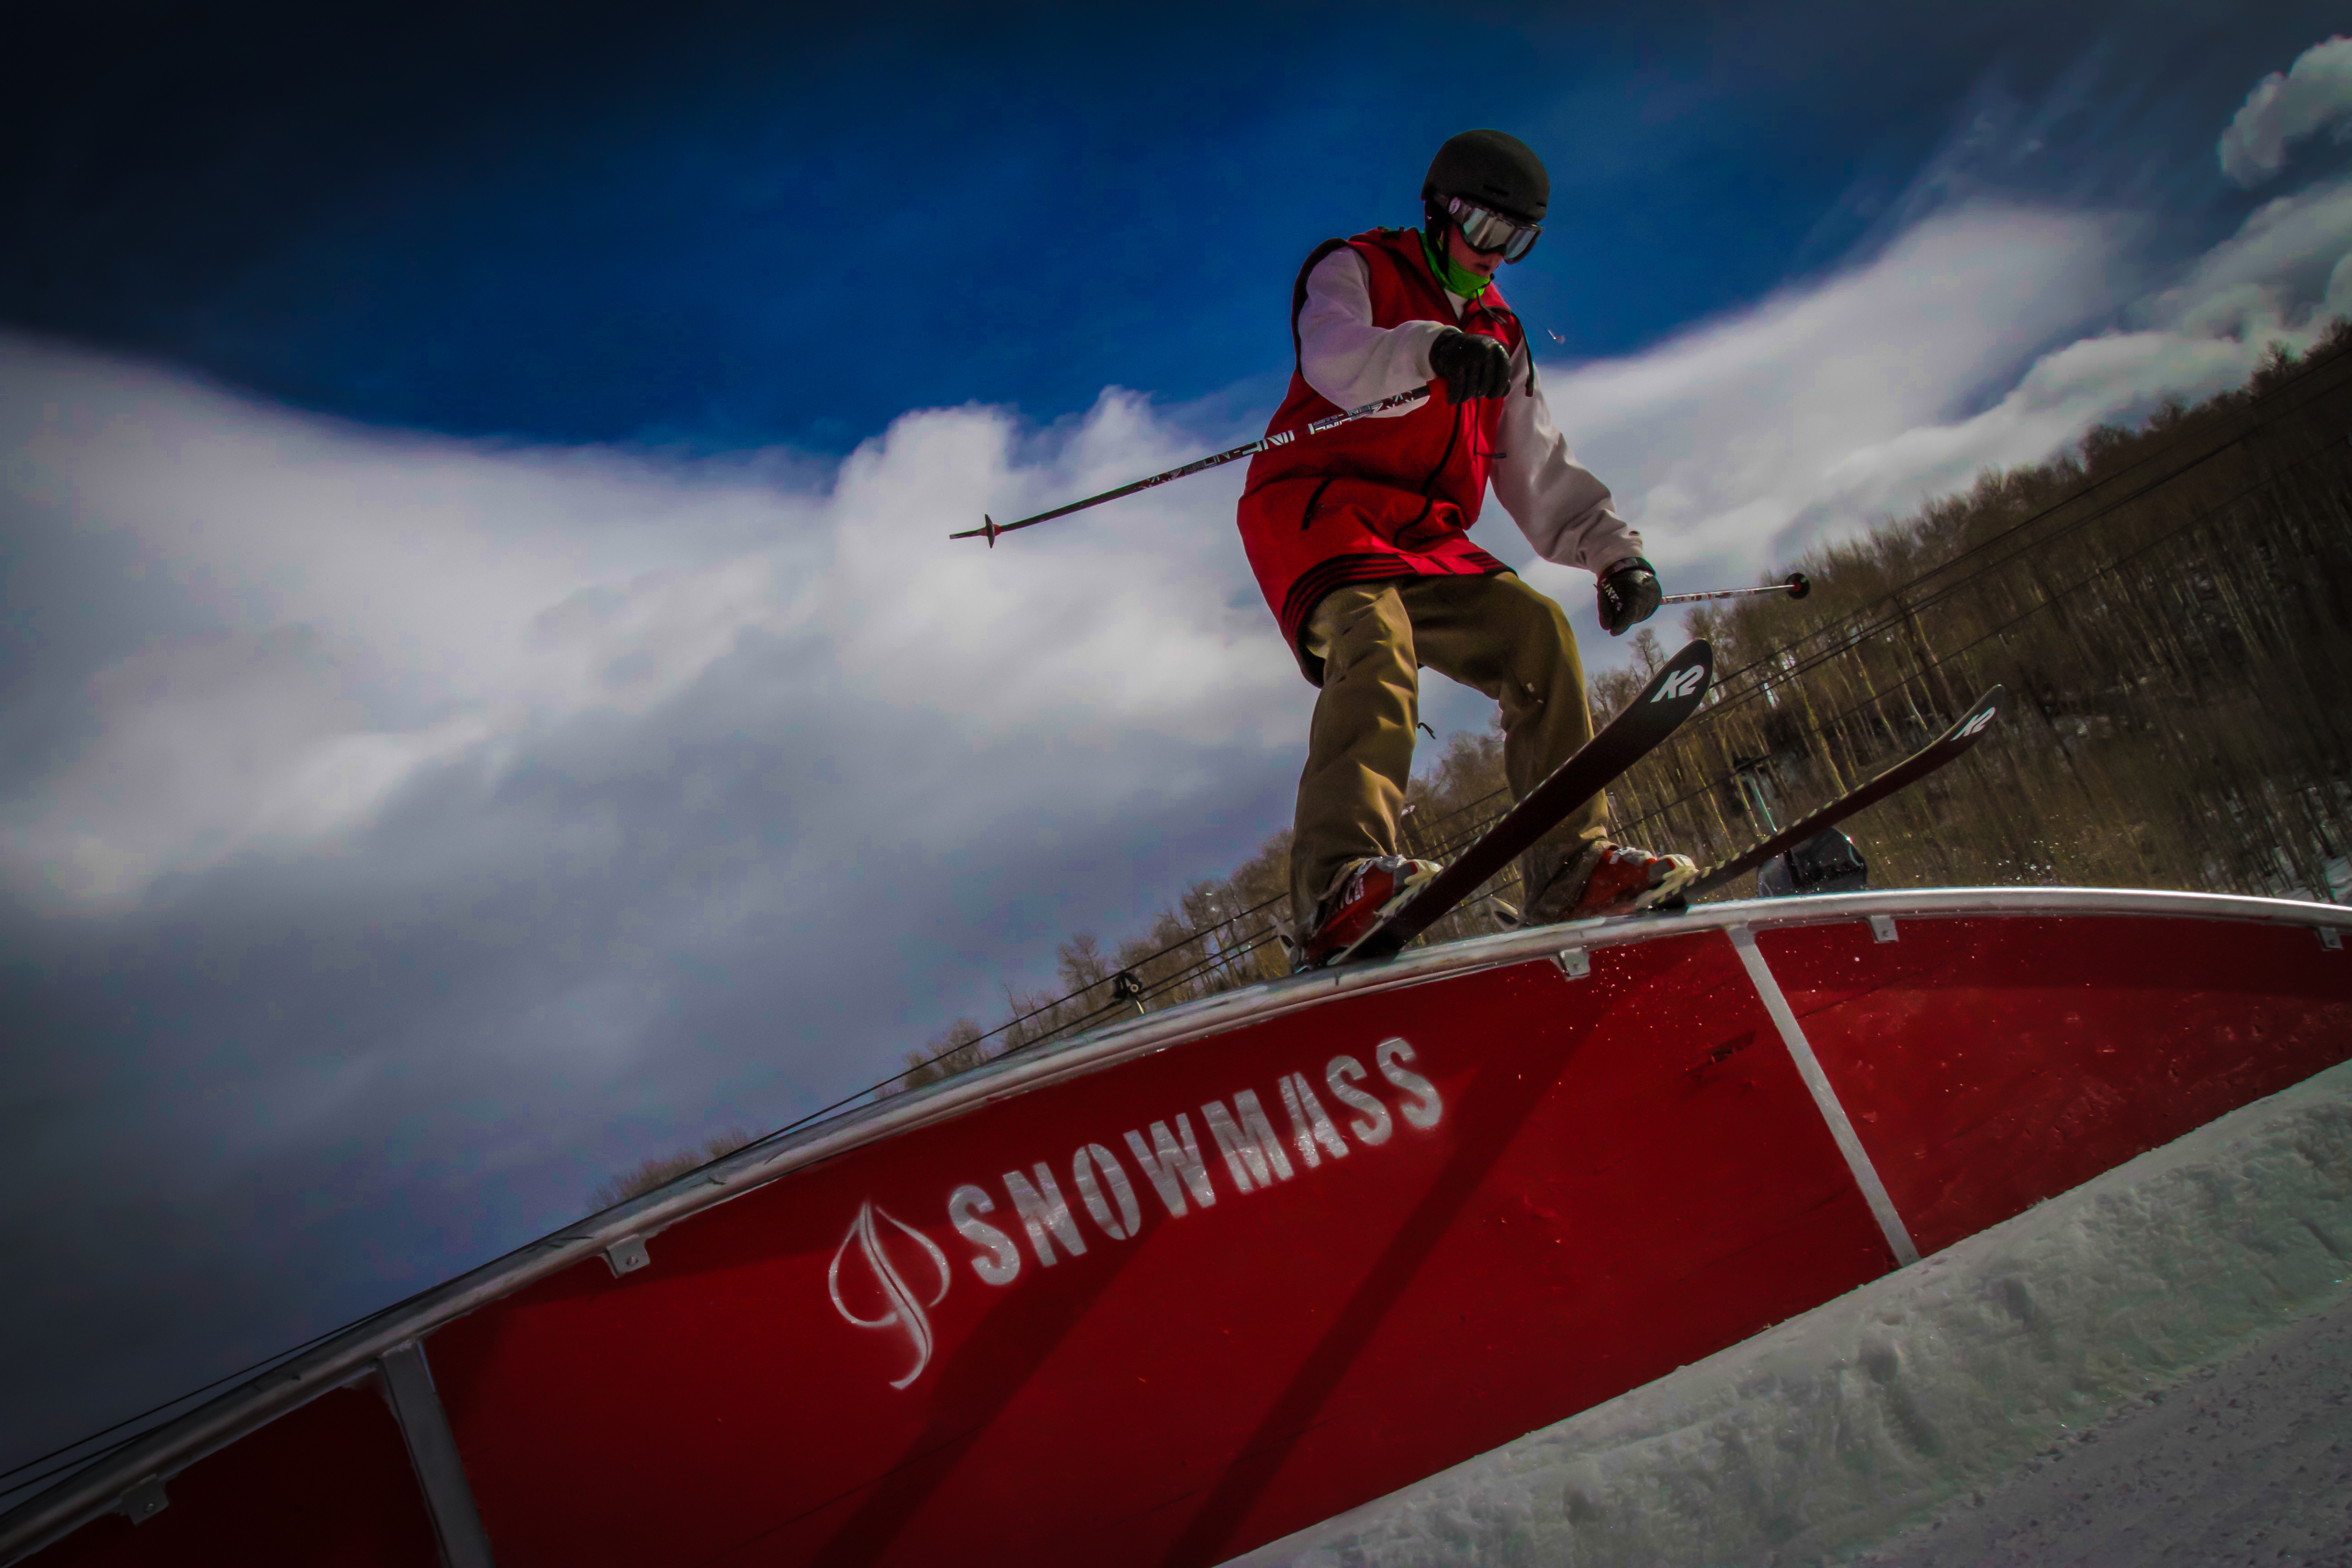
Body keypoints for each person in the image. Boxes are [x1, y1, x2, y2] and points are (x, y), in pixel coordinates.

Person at [1235, 128, 1696, 968]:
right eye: (1485, 232)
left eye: (1516, 242)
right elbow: (1334, 355)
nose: (1496, 256)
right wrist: (1429, 349)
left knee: (1538, 635)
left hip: (1425, 537)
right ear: (1438, 213)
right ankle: (1338, 885)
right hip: (1321, 509)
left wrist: (1613, 553)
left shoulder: (1501, 334)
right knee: (1377, 645)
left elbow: (1537, 464)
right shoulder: (1356, 269)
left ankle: (1571, 866)